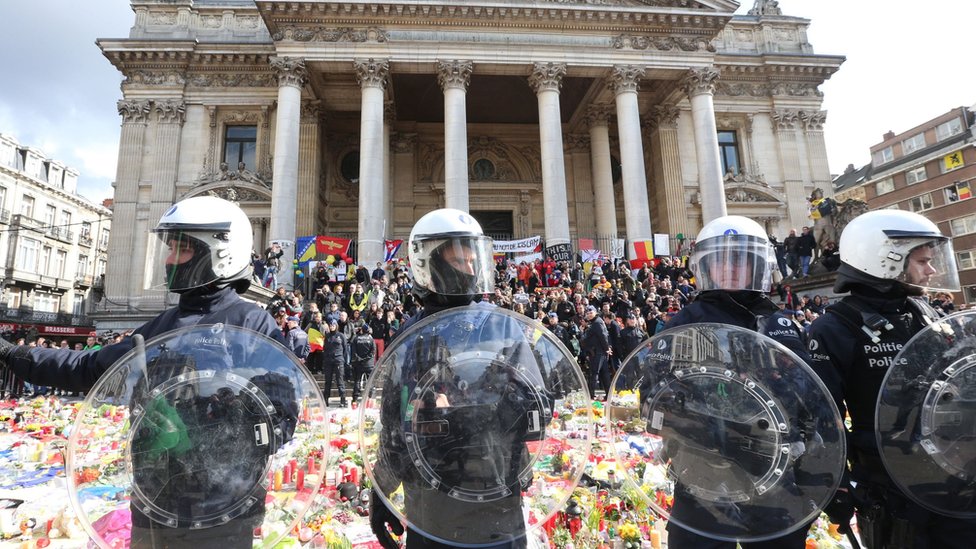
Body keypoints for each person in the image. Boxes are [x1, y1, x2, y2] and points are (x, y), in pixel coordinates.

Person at [0, 195, 289, 548]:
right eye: (168, 249)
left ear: (220, 253)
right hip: (154, 501)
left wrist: (205, 429)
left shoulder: (251, 324)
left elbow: (280, 416)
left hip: (221, 508)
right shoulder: (160, 326)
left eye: (181, 250)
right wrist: (11, 353)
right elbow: (88, 367)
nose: (168, 260)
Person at [806, 210, 976, 548]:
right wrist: (833, 484)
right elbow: (822, 416)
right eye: (924, 261)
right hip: (891, 485)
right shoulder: (836, 327)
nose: (933, 270)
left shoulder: (927, 314)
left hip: (954, 476)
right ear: (886, 261)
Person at [370, 208, 536, 549]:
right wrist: (381, 489)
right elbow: (393, 421)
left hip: (495, 488)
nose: (472, 269)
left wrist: (468, 410)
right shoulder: (411, 333)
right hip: (429, 494)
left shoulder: (501, 324)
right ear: (432, 263)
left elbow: (534, 404)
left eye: (474, 258)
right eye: (460, 259)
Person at [663, 215, 815, 548]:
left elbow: (810, 394)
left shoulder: (780, 323)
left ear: (757, 266)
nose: (731, 268)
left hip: (772, 469)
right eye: (721, 260)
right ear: (706, 267)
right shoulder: (684, 322)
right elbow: (657, 390)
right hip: (703, 467)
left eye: (740, 260)